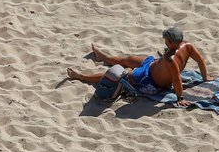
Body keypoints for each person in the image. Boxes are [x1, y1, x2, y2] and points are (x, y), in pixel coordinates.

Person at [66, 28, 210, 106]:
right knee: (129, 59)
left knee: (118, 75)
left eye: (166, 40)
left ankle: (81, 76)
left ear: (171, 42)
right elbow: (201, 61)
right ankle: (104, 57)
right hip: (152, 64)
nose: (164, 41)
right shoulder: (188, 46)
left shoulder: (170, 59)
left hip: (148, 79)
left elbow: (177, 79)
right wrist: (205, 77)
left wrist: (180, 98)